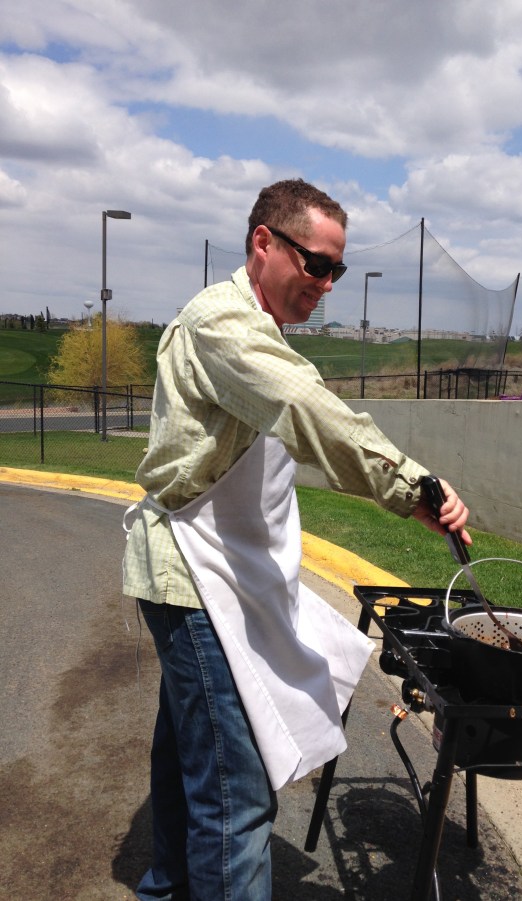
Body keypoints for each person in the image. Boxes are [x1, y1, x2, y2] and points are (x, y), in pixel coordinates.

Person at [123, 178, 470, 901]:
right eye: (316, 264)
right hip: (194, 575)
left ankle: (165, 884)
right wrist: (412, 488)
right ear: (263, 243)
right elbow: (306, 407)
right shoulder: (223, 325)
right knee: (237, 792)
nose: (327, 284)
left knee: (188, 750)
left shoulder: (259, 330)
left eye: (336, 271)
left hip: (225, 573)